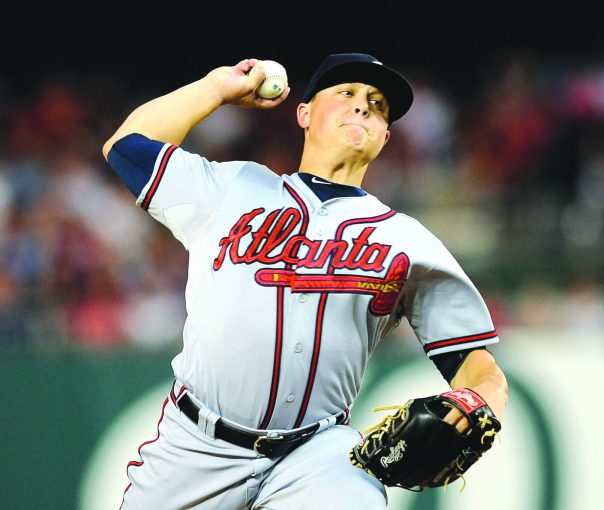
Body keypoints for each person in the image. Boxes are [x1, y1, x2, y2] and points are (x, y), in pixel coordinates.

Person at [103, 53, 508, 510]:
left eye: (377, 105)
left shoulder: (407, 240)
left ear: (385, 137)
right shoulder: (232, 188)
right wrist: (216, 88)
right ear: (304, 113)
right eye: (346, 94)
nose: (363, 107)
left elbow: (477, 364)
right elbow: (126, 145)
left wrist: (477, 400)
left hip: (317, 457)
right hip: (196, 445)